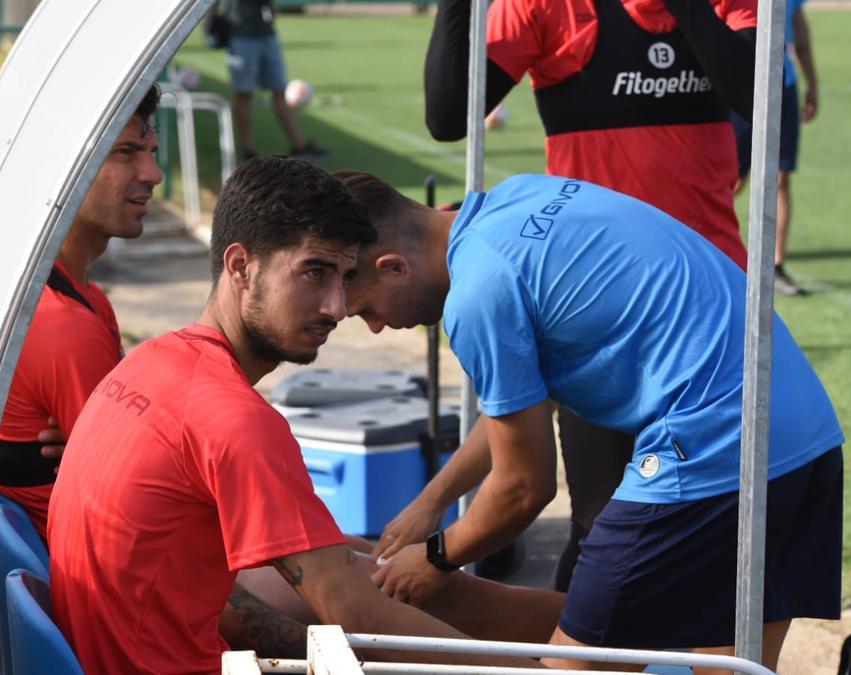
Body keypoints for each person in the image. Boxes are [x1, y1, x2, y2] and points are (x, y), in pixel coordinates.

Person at [47, 157, 559, 674]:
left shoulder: (151, 362)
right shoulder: (233, 419)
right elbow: (357, 613)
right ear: (240, 266)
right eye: (314, 272)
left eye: (343, 277)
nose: (337, 307)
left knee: (382, 575)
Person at [340, 170, 844, 670]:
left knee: (575, 664)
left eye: (366, 310)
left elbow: (524, 488)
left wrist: (436, 557)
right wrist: (432, 502)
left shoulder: (476, 296)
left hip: (711, 441)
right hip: (802, 428)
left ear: (394, 267)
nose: (378, 326)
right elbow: (512, 412)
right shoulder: (520, 196)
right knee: (727, 664)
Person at [423, 0, 760, 591]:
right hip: (596, 325)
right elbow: (450, 114)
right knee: (603, 528)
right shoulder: (547, 8)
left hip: (712, 320)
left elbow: (757, 95)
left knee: (719, 531)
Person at [0, 86, 163, 539]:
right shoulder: (63, 324)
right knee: (341, 597)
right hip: (120, 588)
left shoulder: (78, 298)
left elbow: (138, 458)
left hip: (121, 561)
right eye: (125, 152)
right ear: (62, 167)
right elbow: (146, 500)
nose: (154, 174)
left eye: (151, 151)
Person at [731, 0, 819, 296]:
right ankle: (716, 252)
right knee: (732, 178)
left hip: (783, 86)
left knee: (781, 178)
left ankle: (776, 265)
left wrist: (813, 82)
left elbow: (798, 28)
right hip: (739, 83)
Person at [219, 0, 329, 161]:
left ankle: (299, 145)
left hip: (267, 34)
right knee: (244, 94)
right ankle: (249, 150)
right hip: (242, 34)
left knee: (279, 91)